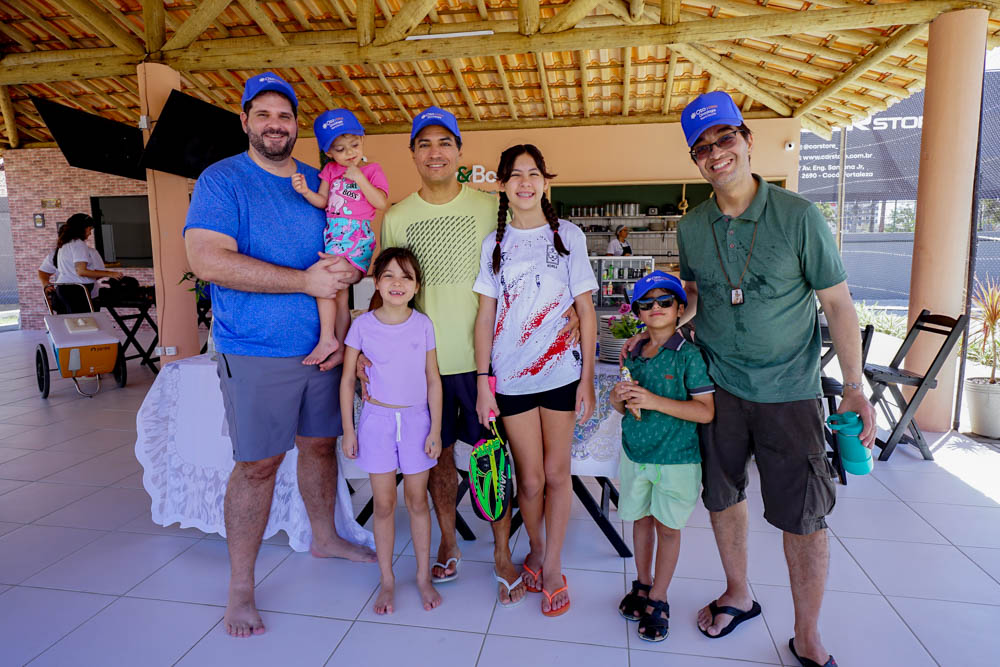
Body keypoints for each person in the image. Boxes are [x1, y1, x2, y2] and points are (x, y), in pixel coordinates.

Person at [660, 91, 873, 667]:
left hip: (791, 392)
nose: (715, 153)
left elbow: (837, 303)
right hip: (719, 387)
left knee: (804, 518)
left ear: (747, 140)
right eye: (702, 147)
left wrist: (855, 386)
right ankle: (739, 593)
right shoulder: (693, 226)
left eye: (725, 138)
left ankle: (807, 633)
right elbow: (698, 296)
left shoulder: (799, 217)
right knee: (722, 497)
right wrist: (658, 331)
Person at [183, 71, 375, 639]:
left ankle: (325, 536)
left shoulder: (321, 180)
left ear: (297, 125)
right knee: (258, 465)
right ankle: (240, 587)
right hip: (256, 349)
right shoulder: (223, 181)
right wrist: (304, 283)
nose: (274, 124)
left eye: (285, 116)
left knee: (320, 448)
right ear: (245, 121)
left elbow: (343, 255)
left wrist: (343, 327)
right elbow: (209, 260)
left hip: (325, 348)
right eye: (263, 114)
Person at [370, 107, 578, 608]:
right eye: (424, 144)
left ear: (460, 152)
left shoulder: (491, 206)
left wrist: (568, 309)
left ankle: (505, 553)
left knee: (495, 462)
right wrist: (366, 350)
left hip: (491, 364)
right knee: (437, 457)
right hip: (422, 363)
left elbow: (542, 261)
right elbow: (388, 287)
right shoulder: (397, 215)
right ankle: (447, 539)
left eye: (445, 143)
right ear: (413, 153)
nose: (435, 152)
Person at [473, 144, 598, 616]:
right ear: (503, 185)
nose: (525, 182)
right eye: (515, 175)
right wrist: (484, 379)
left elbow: (584, 309)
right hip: (512, 379)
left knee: (556, 474)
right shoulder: (495, 244)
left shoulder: (568, 236)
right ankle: (536, 546)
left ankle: (552, 565)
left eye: (533, 173)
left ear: (546, 181)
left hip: (562, 373)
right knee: (528, 480)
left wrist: (587, 378)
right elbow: (486, 317)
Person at [611, 271, 714, 642]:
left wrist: (654, 401)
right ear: (638, 311)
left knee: (668, 529)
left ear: (679, 309)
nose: (655, 308)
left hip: (676, 459)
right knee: (639, 521)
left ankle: (659, 596)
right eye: (647, 303)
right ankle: (642, 583)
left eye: (664, 301)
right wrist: (619, 397)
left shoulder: (689, 356)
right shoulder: (634, 353)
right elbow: (622, 405)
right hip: (636, 454)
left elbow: (705, 411)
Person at [340, 247, 443, 615]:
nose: (397, 283)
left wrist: (436, 430)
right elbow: (347, 381)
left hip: (417, 422)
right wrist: (349, 431)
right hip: (376, 423)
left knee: (417, 501)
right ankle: (387, 580)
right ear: (377, 282)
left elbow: (433, 380)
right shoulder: (362, 326)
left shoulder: (423, 324)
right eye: (389, 276)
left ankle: (421, 577)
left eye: (406, 277)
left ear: (416, 286)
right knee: (383, 505)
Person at [292, 108, 388, 366]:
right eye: (341, 149)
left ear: (363, 139)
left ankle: (327, 340)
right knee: (339, 296)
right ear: (329, 153)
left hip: (356, 241)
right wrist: (304, 192)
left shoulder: (372, 170)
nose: (350, 153)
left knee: (323, 281)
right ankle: (343, 348)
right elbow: (322, 201)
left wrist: (360, 178)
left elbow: (380, 202)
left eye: (354, 145)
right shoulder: (330, 172)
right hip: (335, 241)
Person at [52, 213, 122, 312]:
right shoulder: (79, 244)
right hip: (76, 290)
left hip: (64, 288)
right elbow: (81, 271)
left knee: (74, 323)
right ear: (82, 228)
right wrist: (110, 274)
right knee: (84, 323)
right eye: (89, 229)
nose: (90, 233)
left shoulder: (65, 243)